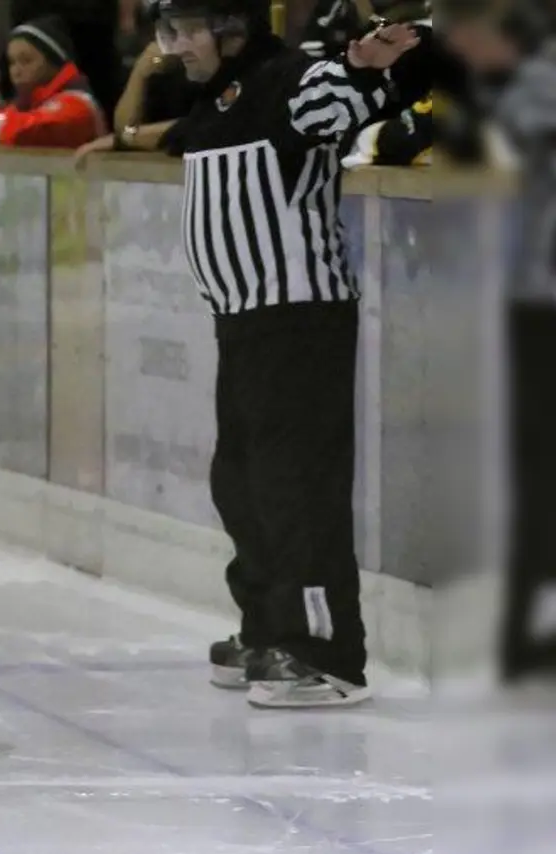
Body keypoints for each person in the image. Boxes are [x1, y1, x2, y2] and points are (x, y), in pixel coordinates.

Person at [83, 0, 420, 708]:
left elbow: (342, 90)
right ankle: (271, 626)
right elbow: (185, 134)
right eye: (166, 33)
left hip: (299, 318)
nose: (174, 47)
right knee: (241, 481)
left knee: (299, 486)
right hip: (245, 322)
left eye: (186, 31)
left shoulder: (286, 78)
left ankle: (327, 654)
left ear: (231, 31)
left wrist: (363, 61)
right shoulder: (223, 97)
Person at [436, 0, 556, 684]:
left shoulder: (534, 88)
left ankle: (521, 632)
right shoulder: (509, 94)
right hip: (534, 306)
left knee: (538, 467)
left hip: (539, 302)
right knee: (535, 467)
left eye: (467, 40)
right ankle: (518, 633)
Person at [0, 16, 109, 149]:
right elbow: (3, 118)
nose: (16, 71)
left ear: (54, 62)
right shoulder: (30, 103)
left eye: (27, 60)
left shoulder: (78, 104)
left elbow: (18, 131)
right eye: (12, 62)